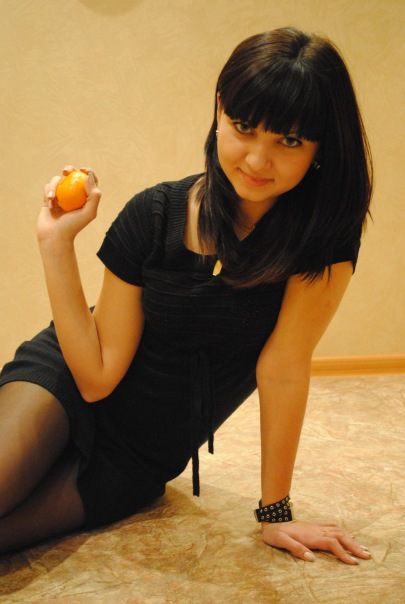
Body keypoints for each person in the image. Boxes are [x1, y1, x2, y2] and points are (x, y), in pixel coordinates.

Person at [0, 26, 373, 564]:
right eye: (243, 127)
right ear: (219, 109)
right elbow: (96, 377)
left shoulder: (323, 239)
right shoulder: (155, 214)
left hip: (136, 456)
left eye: (288, 141)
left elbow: (283, 367)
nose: (257, 160)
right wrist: (54, 242)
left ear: (320, 148)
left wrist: (276, 513)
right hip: (64, 381)